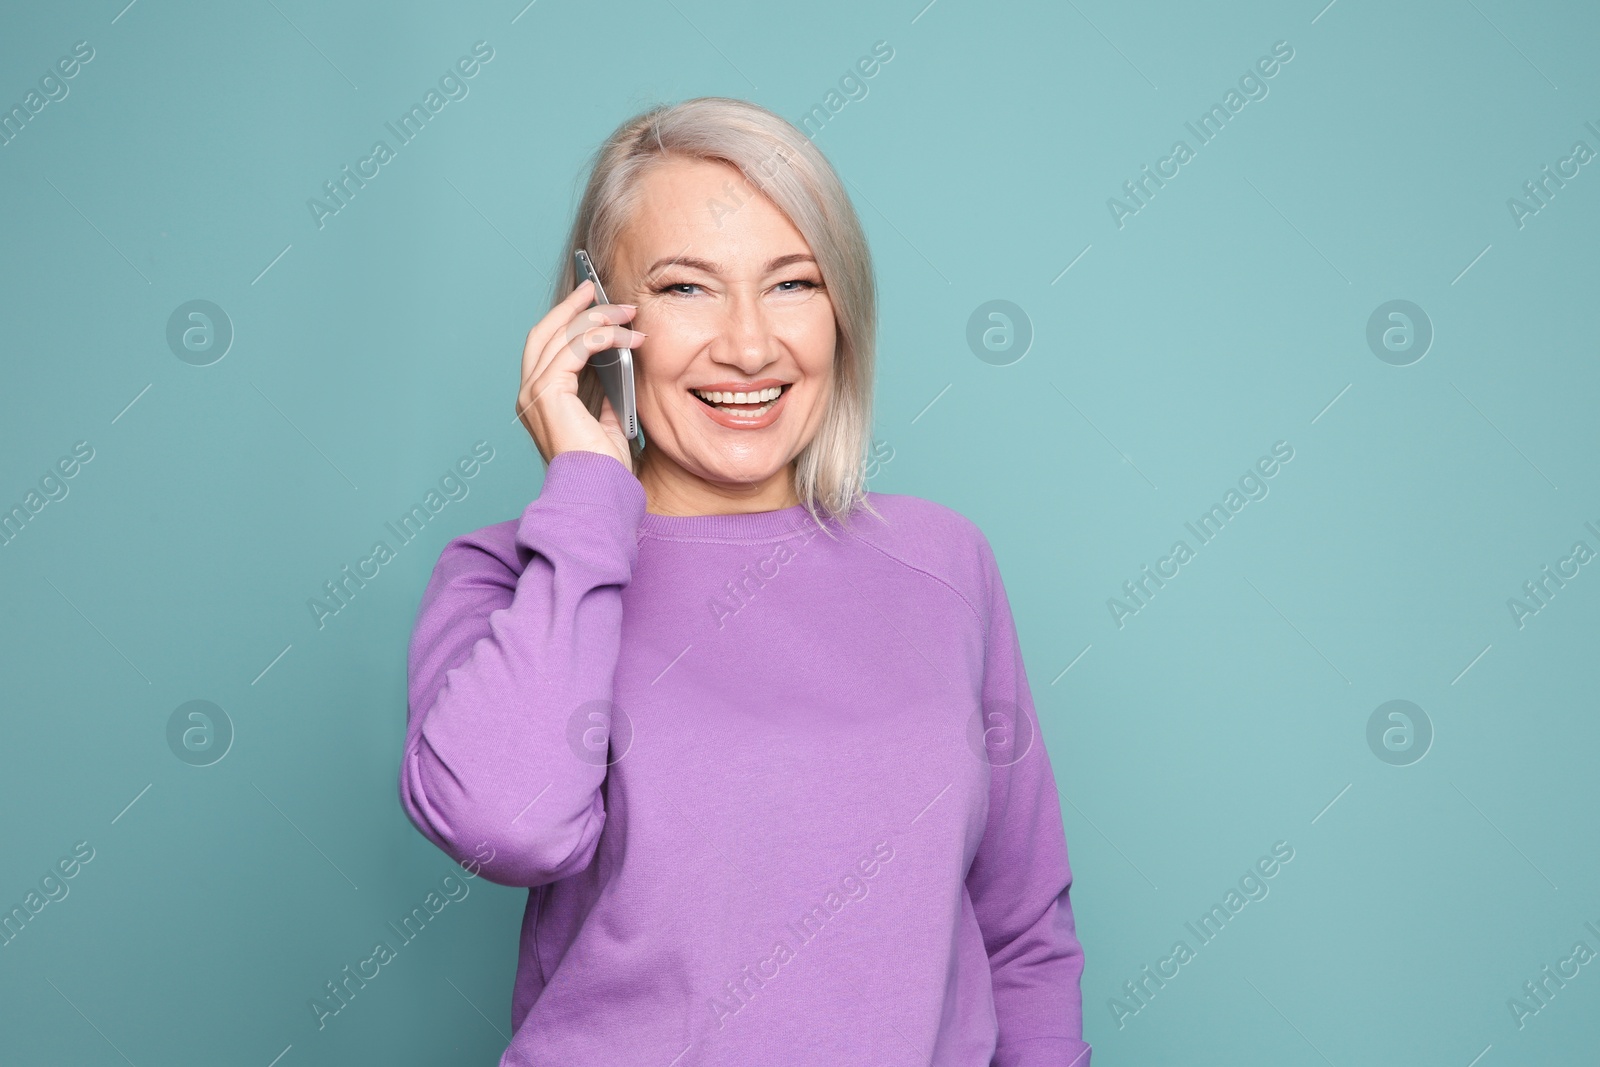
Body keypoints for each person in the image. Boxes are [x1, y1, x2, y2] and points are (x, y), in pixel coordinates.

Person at [399, 96, 1090, 1067]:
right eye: (687, 288)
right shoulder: (516, 577)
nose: (751, 346)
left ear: (843, 307)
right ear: (594, 319)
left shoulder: (943, 562)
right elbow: (506, 827)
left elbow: (1022, 932)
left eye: (793, 283)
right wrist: (588, 497)